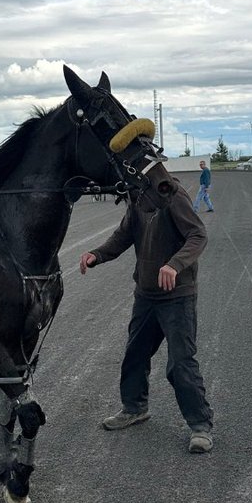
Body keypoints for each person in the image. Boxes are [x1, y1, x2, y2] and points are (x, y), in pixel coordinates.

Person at [79, 180, 214, 453]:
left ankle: (200, 426)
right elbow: (123, 236)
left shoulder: (171, 193)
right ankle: (135, 408)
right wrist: (97, 254)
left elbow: (198, 234)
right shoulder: (137, 198)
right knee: (135, 354)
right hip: (146, 295)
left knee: (181, 363)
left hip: (177, 296)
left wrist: (174, 264)